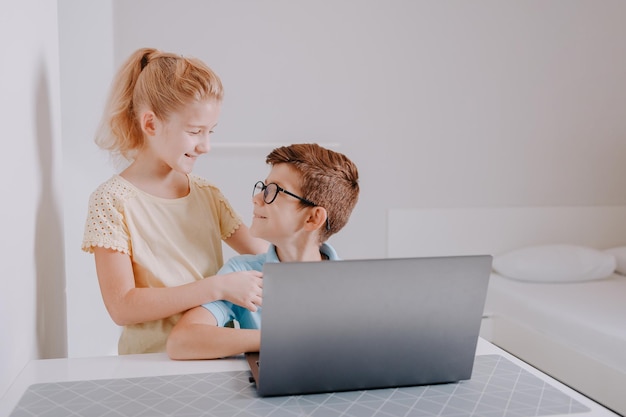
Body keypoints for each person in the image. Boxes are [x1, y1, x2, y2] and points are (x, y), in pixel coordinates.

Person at [81, 47, 268, 355]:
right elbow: (122, 307)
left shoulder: (208, 194)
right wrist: (218, 287)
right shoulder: (112, 201)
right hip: (149, 367)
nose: (206, 146)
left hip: (215, 356)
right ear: (151, 124)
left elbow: (268, 258)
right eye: (195, 132)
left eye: (211, 132)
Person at [166, 143, 360, 360]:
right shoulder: (243, 273)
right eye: (263, 187)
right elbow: (181, 341)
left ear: (312, 218)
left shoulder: (353, 283)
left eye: (273, 191)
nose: (256, 198)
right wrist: (279, 340)